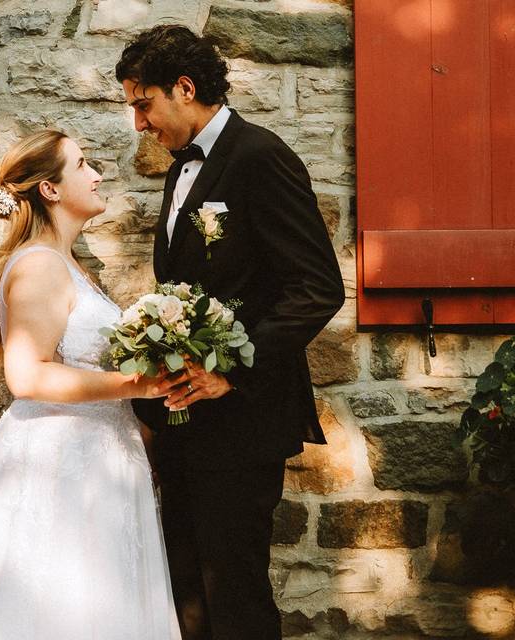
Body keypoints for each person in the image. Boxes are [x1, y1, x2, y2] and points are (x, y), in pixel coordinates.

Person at [116, 25, 346, 640]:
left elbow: (317, 288)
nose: (139, 123)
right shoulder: (179, 172)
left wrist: (230, 372)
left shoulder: (260, 157)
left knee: (235, 595)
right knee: (188, 593)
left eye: (143, 103)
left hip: (242, 423)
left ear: (184, 88)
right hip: (184, 424)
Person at [0, 130, 184, 640]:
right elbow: (26, 374)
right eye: (83, 165)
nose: (98, 174)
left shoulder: (71, 267)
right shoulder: (39, 265)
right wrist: (137, 383)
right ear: (50, 190)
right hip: (60, 464)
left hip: (103, 456)